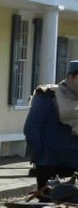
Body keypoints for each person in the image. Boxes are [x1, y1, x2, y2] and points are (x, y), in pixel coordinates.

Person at [23, 60, 78, 189]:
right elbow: (31, 128)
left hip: (75, 165)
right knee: (47, 205)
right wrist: (40, 155)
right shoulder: (48, 95)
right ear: (71, 77)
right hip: (50, 163)